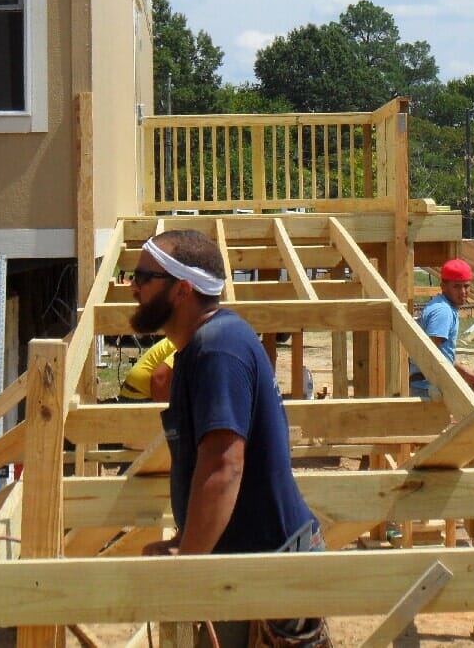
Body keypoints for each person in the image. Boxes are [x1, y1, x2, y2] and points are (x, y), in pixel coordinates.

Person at [134, 230, 330, 648]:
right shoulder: (204, 346)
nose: (131, 286)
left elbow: (225, 467)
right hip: (248, 559)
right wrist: (186, 543)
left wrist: (188, 565)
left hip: (267, 568)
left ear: (182, 290)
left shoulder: (218, 349)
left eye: (142, 276)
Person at [409, 258, 474, 396]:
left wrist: (465, 373)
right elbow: (430, 351)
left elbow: (443, 354)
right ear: (443, 286)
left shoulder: (443, 306)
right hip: (427, 387)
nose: (462, 292)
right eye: (456, 286)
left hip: (428, 385)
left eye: (466, 286)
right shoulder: (443, 311)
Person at [117, 336, 175, 402]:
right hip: (139, 397)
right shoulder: (185, 344)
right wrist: (166, 409)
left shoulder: (181, 339)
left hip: (134, 391)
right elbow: (159, 377)